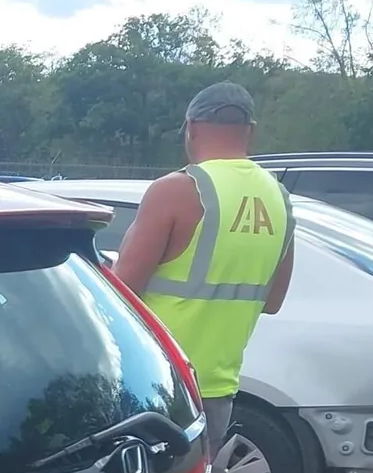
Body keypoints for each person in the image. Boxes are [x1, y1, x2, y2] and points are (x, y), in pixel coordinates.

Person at [112, 82, 295, 451]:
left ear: (191, 127)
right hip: (218, 388)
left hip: (157, 381)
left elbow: (120, 291)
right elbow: (273, 301)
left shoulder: (178, 189)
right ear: (251, 130)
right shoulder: (280, 197)